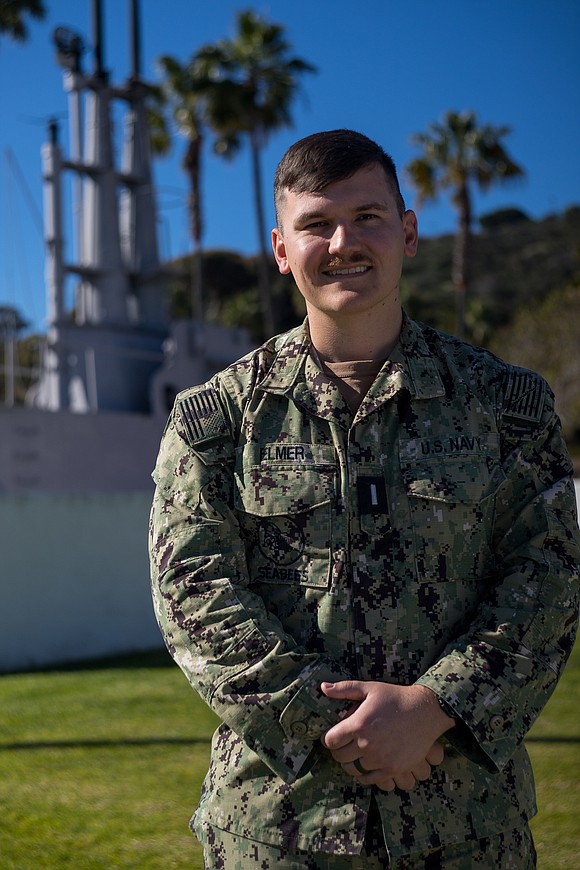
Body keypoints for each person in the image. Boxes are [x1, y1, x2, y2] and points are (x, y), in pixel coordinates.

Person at [149, 129, 580, 869]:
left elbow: (548, 578)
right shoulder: (217, 419)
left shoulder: (506, 406)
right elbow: (193, 591)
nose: (344, 242)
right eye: (316, 224)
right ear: (282, 250)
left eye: (368, 217)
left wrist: (436, 708)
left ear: (408, 233)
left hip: (468, 825)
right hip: (280, 829)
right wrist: (334, 726)